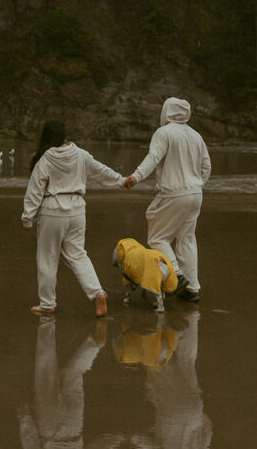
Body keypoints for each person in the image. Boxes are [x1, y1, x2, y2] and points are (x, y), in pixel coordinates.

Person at [22, 120, 124, 317]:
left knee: (47, 258)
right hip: (77, 209)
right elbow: (101, 171)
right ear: (65, 136)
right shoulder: (81, 154)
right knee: (78, 255)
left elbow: (34, 190)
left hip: (52, 209)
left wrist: (27, 218)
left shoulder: (45, 158)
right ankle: (98, 293)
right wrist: (121, 180)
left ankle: (47, 304)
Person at [122, 98, 211, 302]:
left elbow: (153, 158)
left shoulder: (164, 133)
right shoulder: (196, 135)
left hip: (174, 193)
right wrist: (197, 184)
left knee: (158, 238)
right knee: (187, 239)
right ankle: (192, 288)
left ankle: (177, 276)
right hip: (195, 193)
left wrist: (135, 176)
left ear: (167, 111)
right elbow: (206, 166)